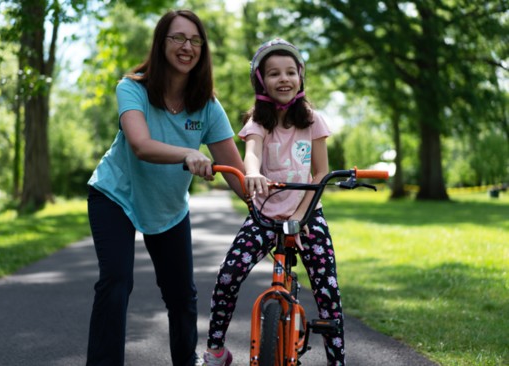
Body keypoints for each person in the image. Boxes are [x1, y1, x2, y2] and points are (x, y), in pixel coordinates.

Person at [85, 9, 244, 366]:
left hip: (168, 206)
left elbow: (236, 172)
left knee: (181, 295)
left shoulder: (208, 106)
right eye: (178, 38)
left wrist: (266, 209)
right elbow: (140, 145)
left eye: (195, 40)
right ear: (161, 43)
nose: (187, 47)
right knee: (116, 281)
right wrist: (189, 153)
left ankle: (185, 361)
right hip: (116, 195)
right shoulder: (132, 88)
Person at [202, 38, 345, 366]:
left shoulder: (312, 121)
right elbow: (251, 154)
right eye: (274, 73)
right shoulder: (258, 122)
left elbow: (320, 173)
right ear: (260, 81)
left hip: (306, 215)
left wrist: (298, 215)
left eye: (291, 72)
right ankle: (215, 350)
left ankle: (338, 360)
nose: (284, 79)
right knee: (228, 275)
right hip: (266, 215)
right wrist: (251, 174)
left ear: (300, 78)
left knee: (328, 291)